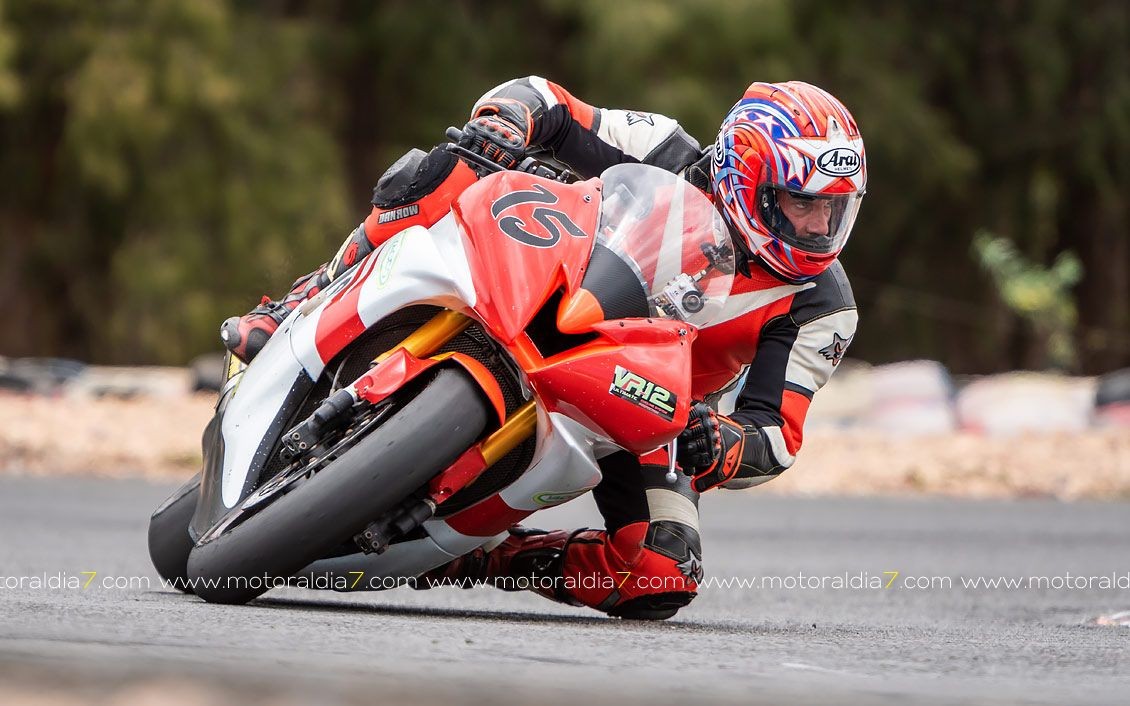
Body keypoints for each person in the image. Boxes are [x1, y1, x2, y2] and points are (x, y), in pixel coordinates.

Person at [221, 76, 865, 619]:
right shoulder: (664, 148)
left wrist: (722, 445)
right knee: (453, 165)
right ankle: (297, 304)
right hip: (545, 276)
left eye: (835, 211)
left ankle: (483, 557)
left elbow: (777, 433)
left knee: (661, 572)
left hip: (649, 405)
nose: (819, 228)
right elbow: (547, 99)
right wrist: (507, 121)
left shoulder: (823, 304)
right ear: (745, 176)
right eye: (802, 204)